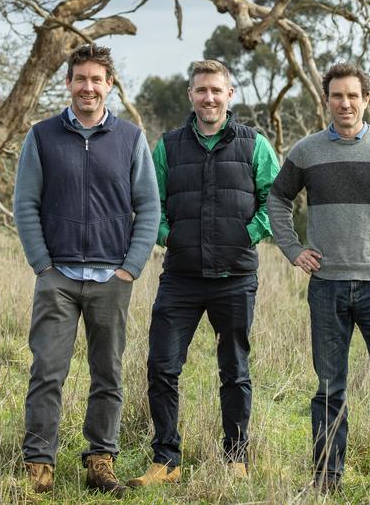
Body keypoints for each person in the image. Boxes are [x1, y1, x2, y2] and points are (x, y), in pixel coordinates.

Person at [267, 62, 370, 495]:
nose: (345, 103)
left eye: (353, 95)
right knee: (327, 388)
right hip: (328, 287)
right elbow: (276, 199)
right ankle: (327, 477)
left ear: (366, 99)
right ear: (327, 100)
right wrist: (294, 249)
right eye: (337, 95)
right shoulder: (307, 151)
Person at [13, 43, 160, 498]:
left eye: (97, 79)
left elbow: (149, 208)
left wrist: (131, 267)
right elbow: (25, 204)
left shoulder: (130, 139)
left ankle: (101, 460)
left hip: (111, 279)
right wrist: (42, 264)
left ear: (109, 85)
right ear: (68, 84)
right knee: (47, 372)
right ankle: (40, 464)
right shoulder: (41, 136)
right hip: (57, 278)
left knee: (108, 374)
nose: (88, 87)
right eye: (81, 79)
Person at [128, 59, 280, 488]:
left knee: (234, 370)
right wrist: (169, 237)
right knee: (161, 366)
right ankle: (166, 459)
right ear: (190, 96)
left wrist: (249, 234)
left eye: (217, 90)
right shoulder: (168, 146)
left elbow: (277, 198)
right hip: (181, 277)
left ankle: (236, 456)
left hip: (235, 277)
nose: (209, 97)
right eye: (201, 90)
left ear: (230, 95)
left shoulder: (255, 144)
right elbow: (150, 203)